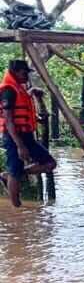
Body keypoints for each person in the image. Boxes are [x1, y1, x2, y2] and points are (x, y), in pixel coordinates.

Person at [0, 59, 56, 207]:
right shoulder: (8, 90)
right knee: (15, 170)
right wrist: (20, 146)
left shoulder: (19, 88)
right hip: (14, 136)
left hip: (27, 135)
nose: (27, 76)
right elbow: (9, 120)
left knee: (50, 164)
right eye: (24, 73)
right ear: (15, 72)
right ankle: (16, 208)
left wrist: (32, 94)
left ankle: (10, 176)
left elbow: (22, 109)